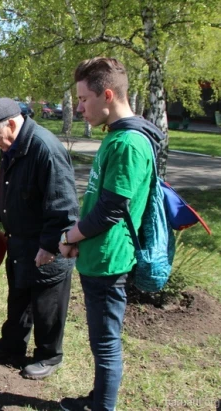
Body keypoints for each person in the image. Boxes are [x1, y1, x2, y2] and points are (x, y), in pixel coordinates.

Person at [58, 58, 162, 411]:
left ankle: (101, 407)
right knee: (100, 339)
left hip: (109, 260)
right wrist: (79, 240)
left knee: (105, 342)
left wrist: (71, 237)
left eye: (84, 99)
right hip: (98, 253)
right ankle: (97, 399)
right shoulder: (117, 137)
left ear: (107, 94)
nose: (79, 107)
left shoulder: (128, 144)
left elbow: (111, 209)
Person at [0, 98, 79, 380]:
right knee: (19, 296)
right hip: (19, 241)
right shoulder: (11, 145)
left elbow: (64, 206)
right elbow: (11, 185)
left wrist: (48, 247)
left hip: (46, 244)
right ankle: (12, 345)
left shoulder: (46, 149)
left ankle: (49, 355)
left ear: (11, 123)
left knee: (47, 304)